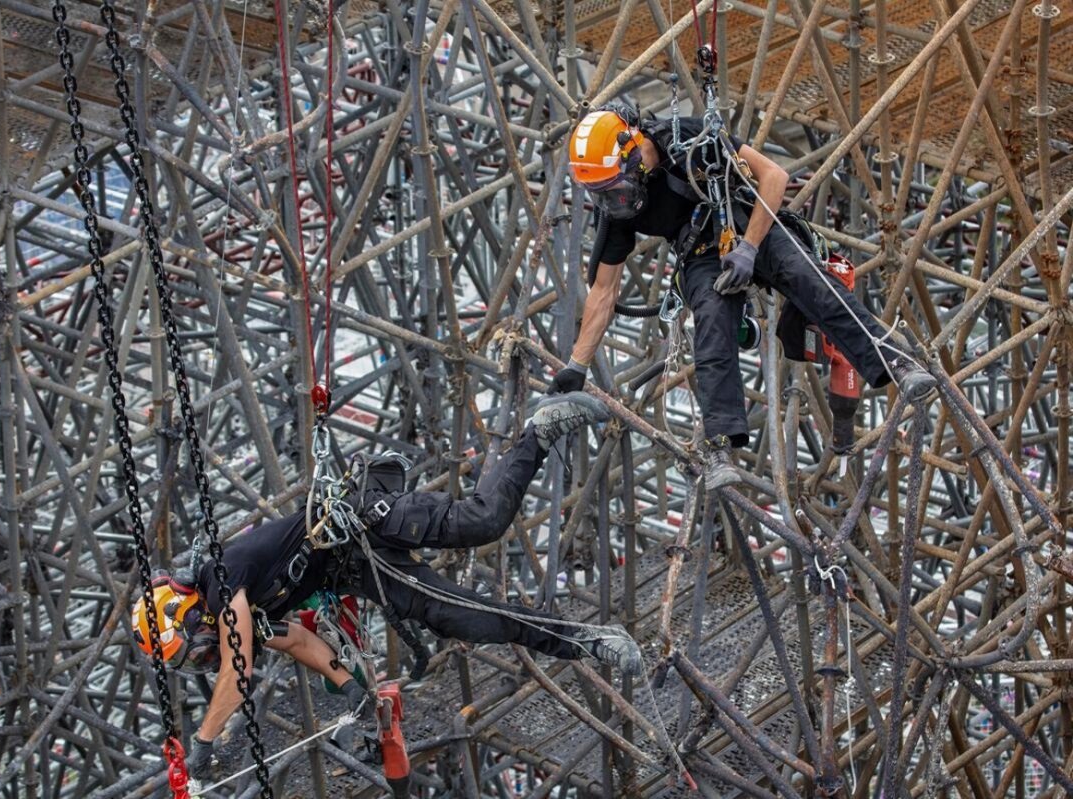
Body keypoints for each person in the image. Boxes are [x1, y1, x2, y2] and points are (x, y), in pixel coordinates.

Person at [131, 392, 641, 780]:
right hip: (358, 565)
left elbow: (237, 672)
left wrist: (203, 741)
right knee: (465, 618)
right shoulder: (239, 610)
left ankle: (540, 429)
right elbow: (300, 641)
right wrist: (354, 692)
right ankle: (591, 640)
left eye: (191, 650)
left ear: (187, 613)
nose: (202, 658)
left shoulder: (222, 583)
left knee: (482, 522)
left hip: (360, 523)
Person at [550, 103, 936, 490]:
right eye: (602, 193)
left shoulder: (689, 139)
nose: (613, 200)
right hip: (701, 254)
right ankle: (719, 446)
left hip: (751, 223)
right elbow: (604, 291)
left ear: (633, 156)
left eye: (614, 188)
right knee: (712, 321)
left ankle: (896, 362)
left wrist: (749, 248)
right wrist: (575, 368)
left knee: (809, 279)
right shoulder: (620, 210)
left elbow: (774, 176)